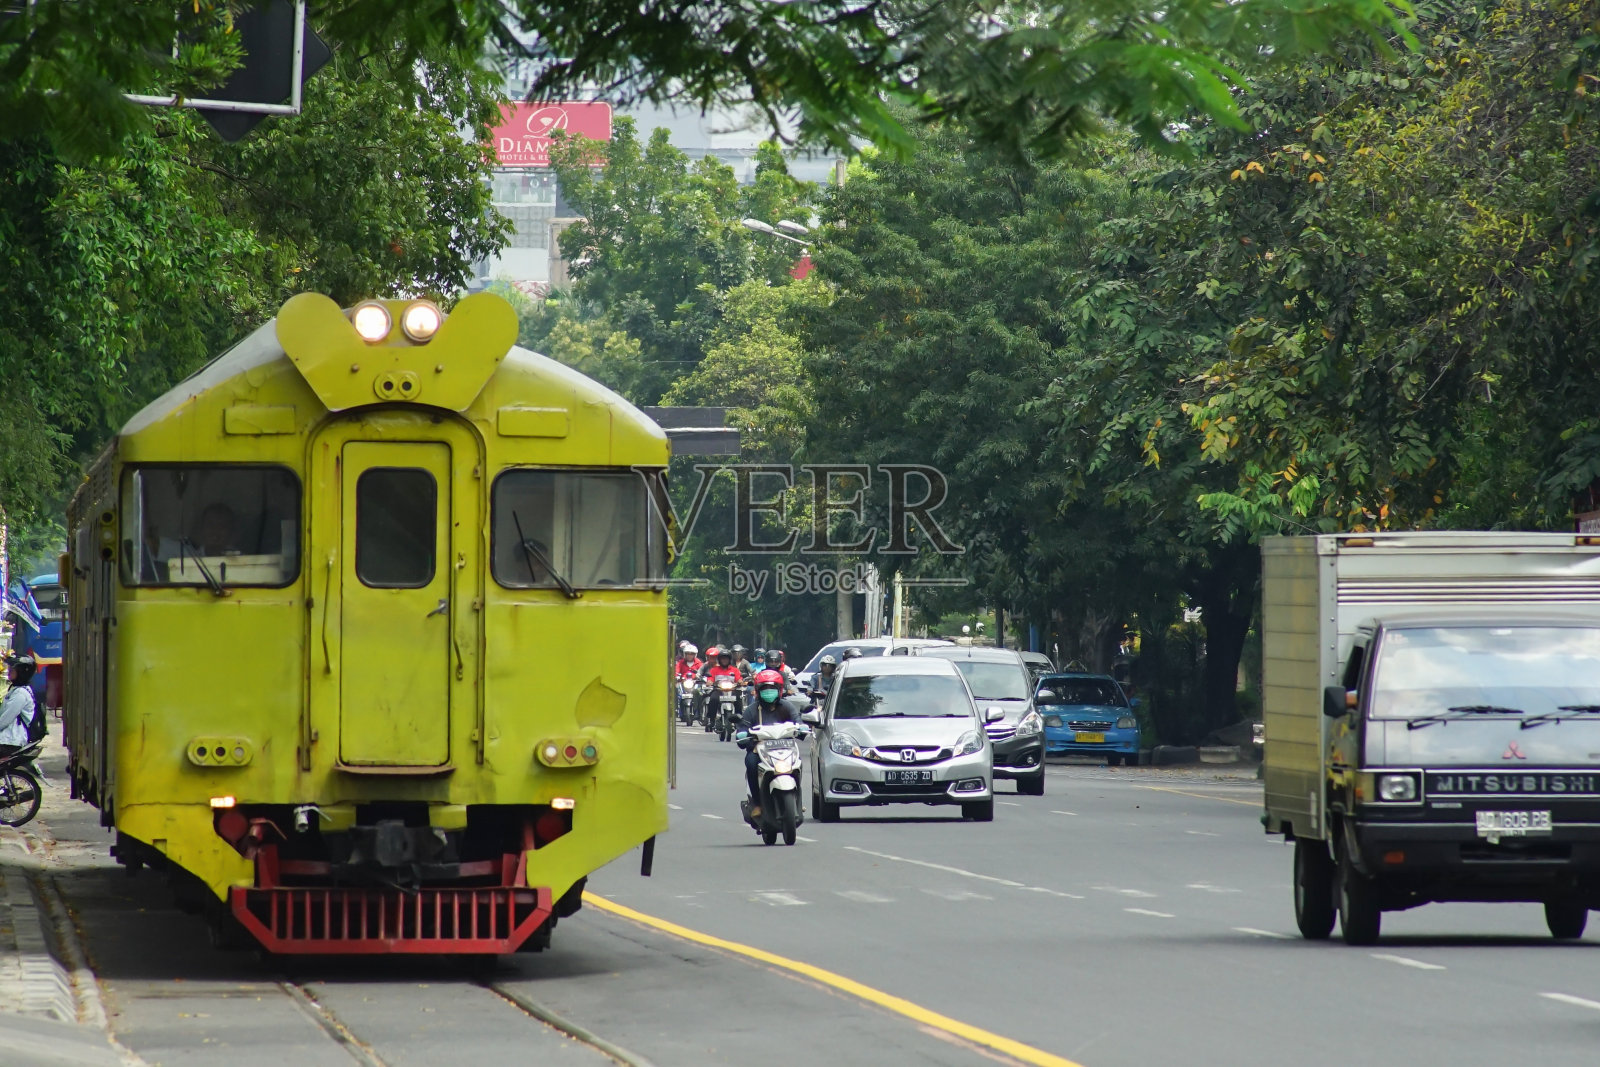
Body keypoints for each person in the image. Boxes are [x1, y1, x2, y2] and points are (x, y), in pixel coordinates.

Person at [738, 668, 803, 817]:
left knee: (798, 764)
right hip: (759, 751)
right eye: (764, 688)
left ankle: (796, 799)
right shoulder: (751, 710)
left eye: (772, 688)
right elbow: (743, 728)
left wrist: (802, 727)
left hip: (786, 749)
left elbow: (798, 721)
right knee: (751, 763)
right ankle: (757, 803)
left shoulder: (787, 707)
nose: (768, 691)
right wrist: (743, 734)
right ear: (758, 691)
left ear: (779, 690)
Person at [0, 654, 40, 758]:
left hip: (10, 741)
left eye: (13, 669)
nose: (9, 671)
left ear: (22, 672)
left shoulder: (20, 694)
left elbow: (5, 720)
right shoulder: (16, 690)